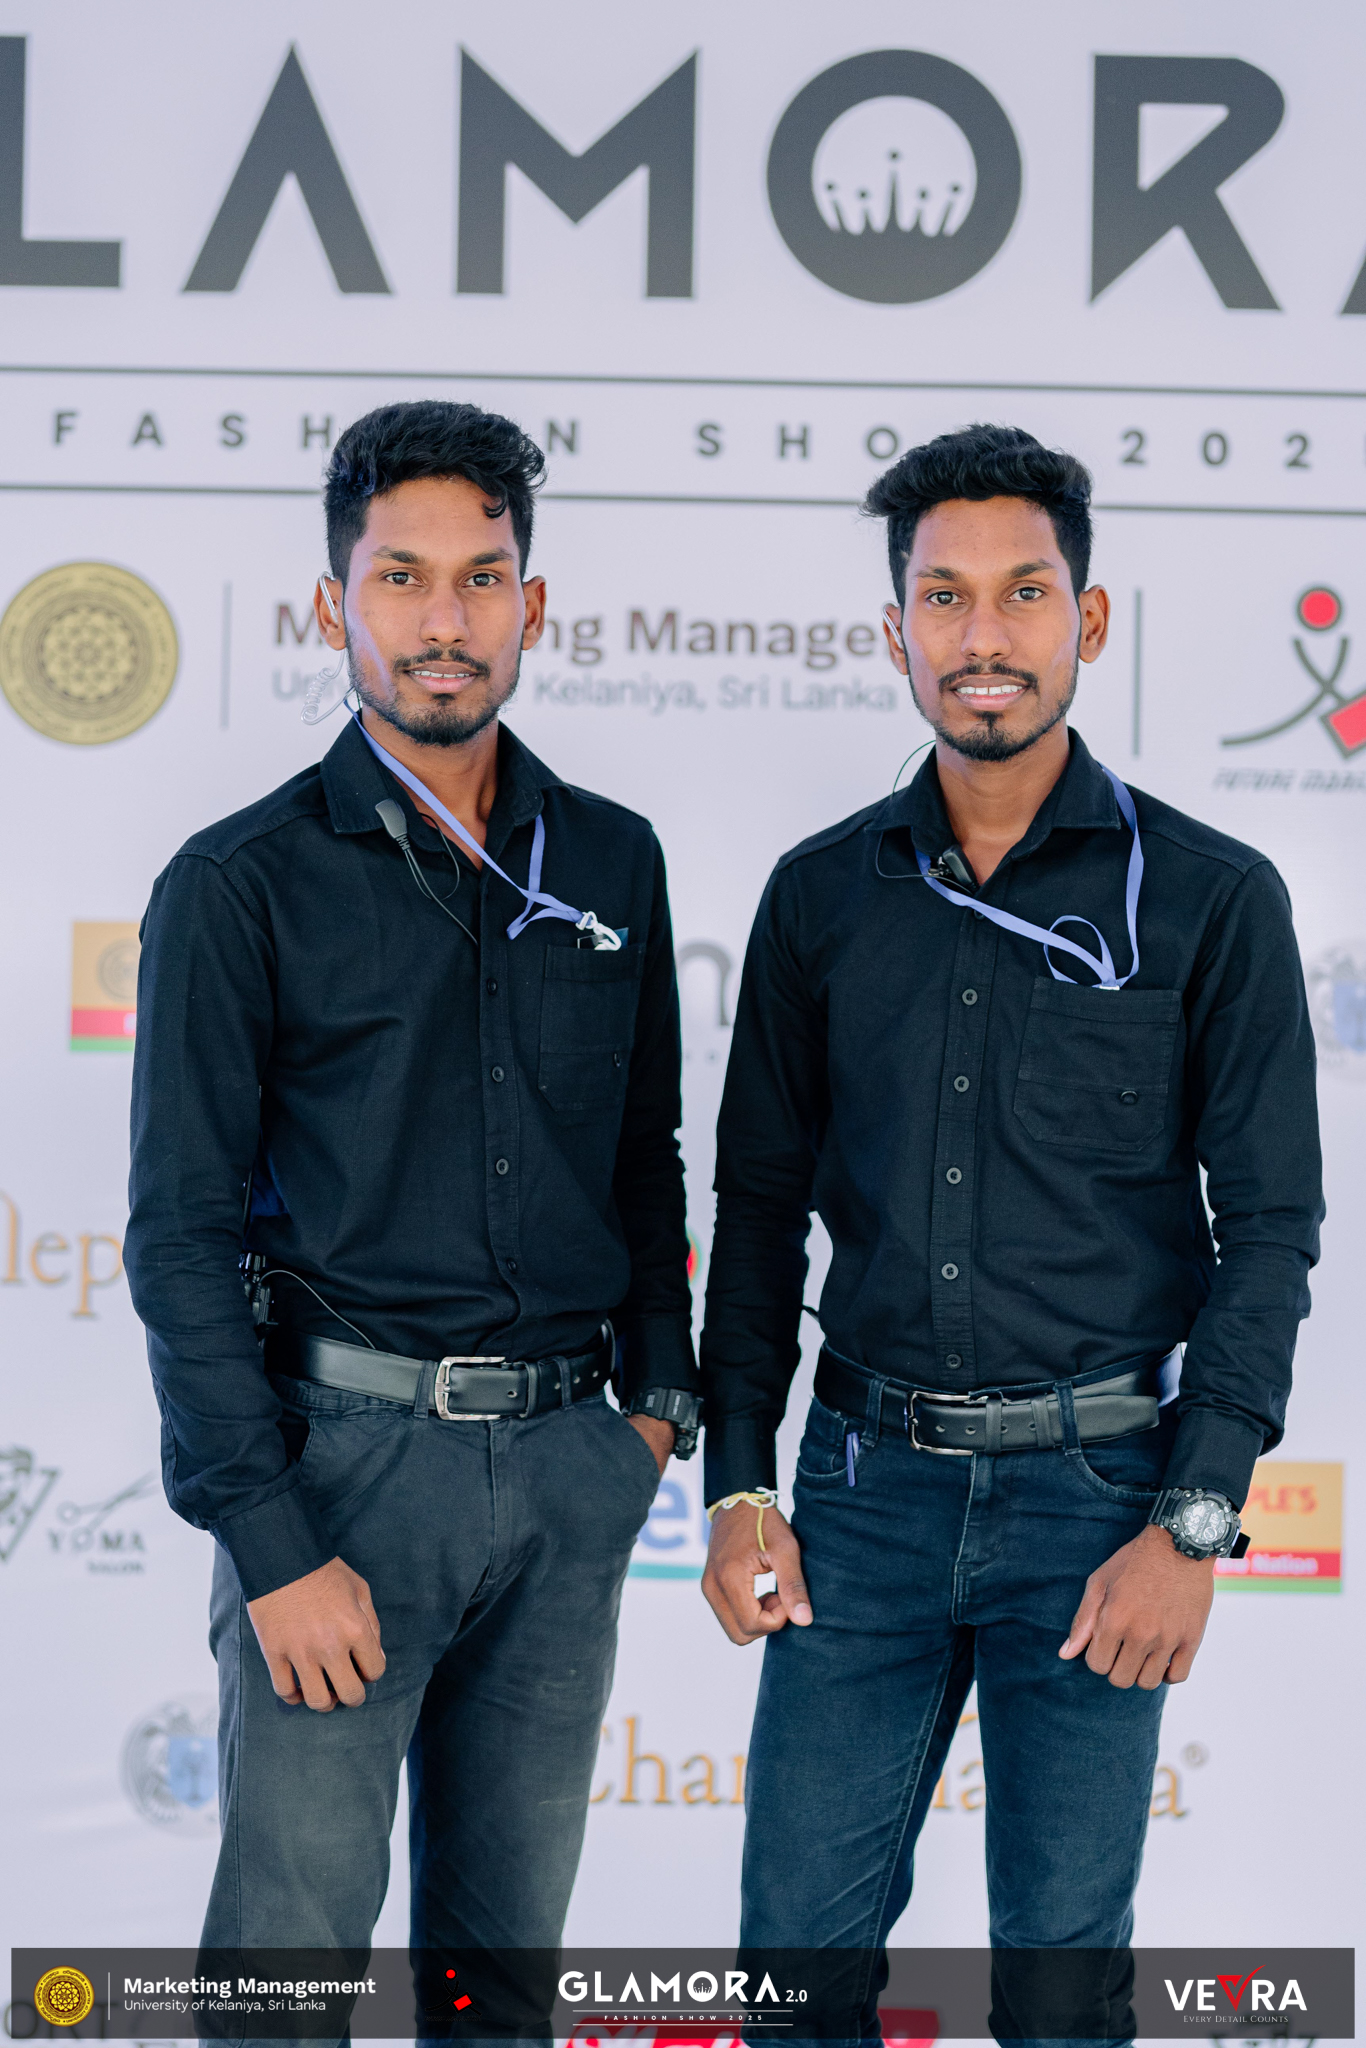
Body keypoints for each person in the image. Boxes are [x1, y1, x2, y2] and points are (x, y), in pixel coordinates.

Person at [699, 425, 1322, 2039]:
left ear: (1086, 619)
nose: (983, 635)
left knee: (1059, 1994)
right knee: (789, 1978)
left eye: (1023, 594)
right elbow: (757, 1213)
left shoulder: (1210, 897)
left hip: (1101, 1506)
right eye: (944, 597)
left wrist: (1192, 1520)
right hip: (859, 1506)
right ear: (893, 629)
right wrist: (740, 1482)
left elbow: (1268, 1229)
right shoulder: (819, 896)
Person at [125, 400, 701, 1974]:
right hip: (343, 1480)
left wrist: (652, 1413)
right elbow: (177, 1239)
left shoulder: (614, 860)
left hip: (571, 1473)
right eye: (401, 578)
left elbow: (641, 1155)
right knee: (289, 1974)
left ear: (531, 602)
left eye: (479, 578)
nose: (443, 622)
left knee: (498, 1978)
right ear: (335, 605)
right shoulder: (239, 882)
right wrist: (271, 1542)